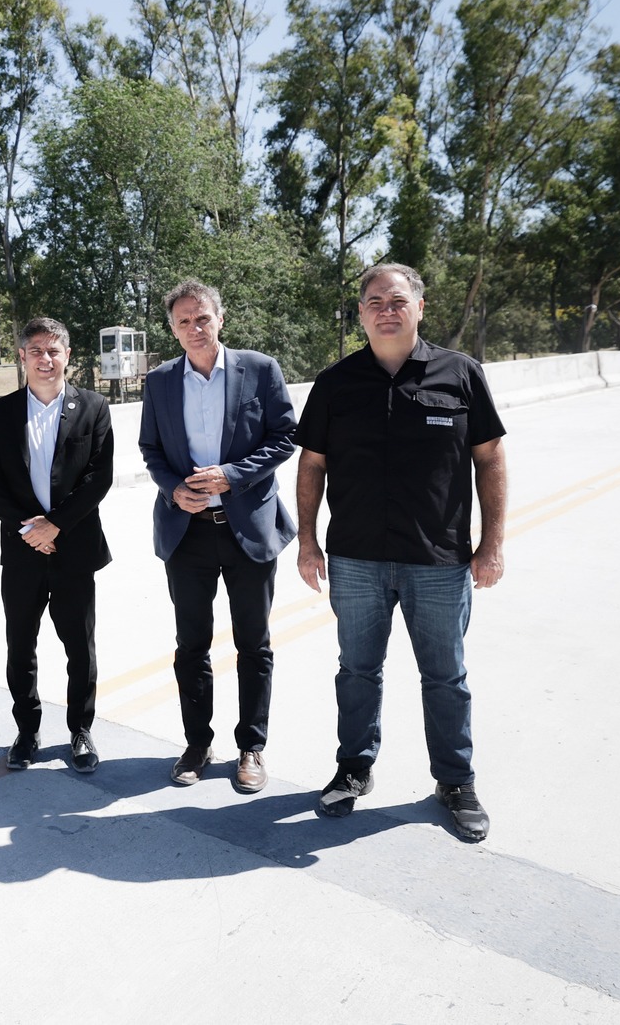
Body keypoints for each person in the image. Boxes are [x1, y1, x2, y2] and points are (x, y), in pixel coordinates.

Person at [295, 263, 508, 843]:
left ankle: (455, 782)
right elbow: (312, 464)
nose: (385, 311)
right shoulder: (335, 383)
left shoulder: (460, 374)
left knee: (446, 677)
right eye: (374, 302)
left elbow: (489, 457)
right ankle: (353, 768)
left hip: (439, 560)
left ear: (419, 307)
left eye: (396, 301)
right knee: (357, 671)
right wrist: (308, 541)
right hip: (355, 558)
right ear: (361, 313)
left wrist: (491, 543)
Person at [139, 280, 299, 792]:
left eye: (202, 318)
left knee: (254, 643)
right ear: (173, 329)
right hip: (187, 534)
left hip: (247, 529)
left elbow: (285, 437)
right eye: (183, 321)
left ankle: (251, 746)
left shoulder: (260, 369)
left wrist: (233, 474)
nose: (195, 328)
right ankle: (197, 744)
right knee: (191, 645)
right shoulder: (160, 381)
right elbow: (151, 450)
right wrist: (172, 489)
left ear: (220, 319)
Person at [0, 317, 115, 773]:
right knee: (20, 645)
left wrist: (55, 526)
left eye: (54, 350)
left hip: (74, 549)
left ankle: (81, 730)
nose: (45, 358)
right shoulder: (3, 413)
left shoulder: (93, 407)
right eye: (36, 350)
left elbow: (98, 478)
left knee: (81, 647)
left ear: (67, 356)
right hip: (22, 551)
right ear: (22, 356)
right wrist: (30, 531)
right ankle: (27, 731)